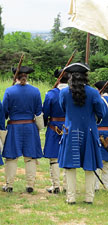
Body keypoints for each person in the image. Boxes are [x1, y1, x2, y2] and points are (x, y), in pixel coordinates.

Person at [58, 63, 106, 204]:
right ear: (85, 76)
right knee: (90, 166)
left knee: (70, 166)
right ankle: (89, 198)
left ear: (70, 77)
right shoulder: (93, 93)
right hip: (89, 132)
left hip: (70, 130)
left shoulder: (63, 92)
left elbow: (63, 109)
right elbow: (101, 112)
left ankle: (71, 198)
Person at [2, 66, 44, 193]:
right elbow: (38, 112)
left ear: (15, 77)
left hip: (14, 126)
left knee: (11, 157)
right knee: (30, 157)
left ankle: (9, 185)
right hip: (30, 126)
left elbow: (4, 112)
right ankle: (30, 184)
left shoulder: (9, 91)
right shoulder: (35, 91)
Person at [43, 69, 69, 194]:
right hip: (69, 127)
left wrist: (43, 123)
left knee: (54, 158)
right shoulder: (73, 93)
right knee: (67, 157)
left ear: (58, 79)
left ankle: (56, 186)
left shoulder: (51, 94)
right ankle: (66, 186)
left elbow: (46, 112)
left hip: (54, 127)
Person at [94, 81, 108, 191]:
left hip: (99, 132)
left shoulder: (100, 101)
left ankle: (96, 186)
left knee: (98, 161)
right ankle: (106, 186)